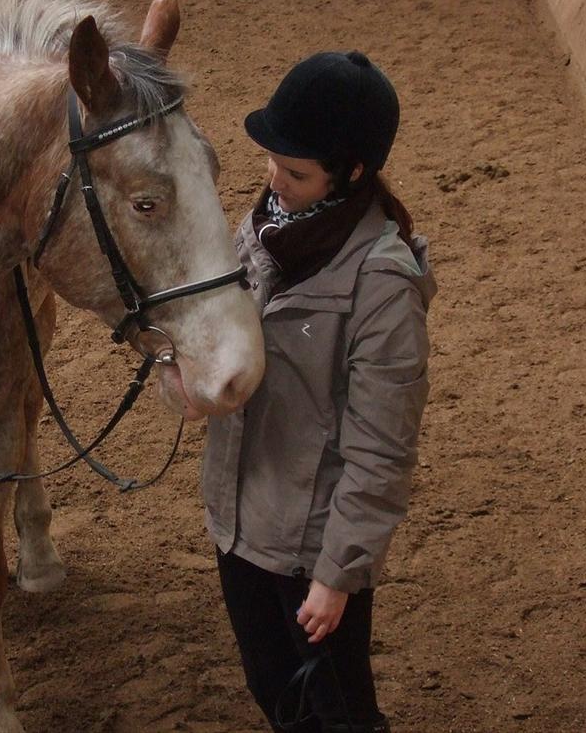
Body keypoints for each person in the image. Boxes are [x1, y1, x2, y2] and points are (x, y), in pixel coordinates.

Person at [203, 51, 437, 733]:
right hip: (240, 523)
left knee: (338, 716)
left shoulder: (384, 286)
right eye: (272, 160)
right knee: (276, 695)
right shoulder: (265, 228)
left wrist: (337, 575)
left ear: (352, 173)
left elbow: (381, 452)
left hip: (313, 550)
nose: (273, 180)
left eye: (295, 171)